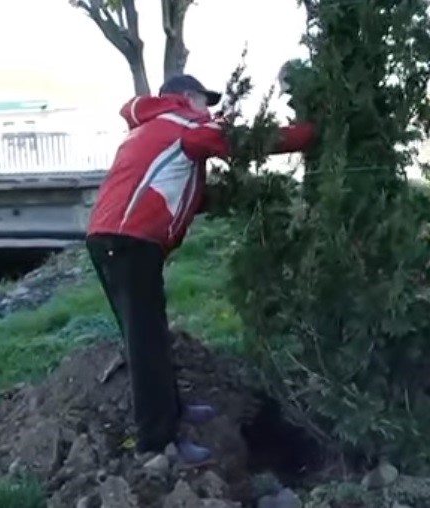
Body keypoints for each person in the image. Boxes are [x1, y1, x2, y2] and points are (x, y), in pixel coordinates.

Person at [85, 74, 315, 465]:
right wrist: (308, 134)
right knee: (146, 343)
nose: (208, 111)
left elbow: (184, 191)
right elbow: (244, 142)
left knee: (150, 333)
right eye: (203, 101)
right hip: (129, 244)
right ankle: (155, 445)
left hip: (113, 240)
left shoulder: (151, 129)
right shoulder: (183, 125)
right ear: (186, 98)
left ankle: (171, 411)